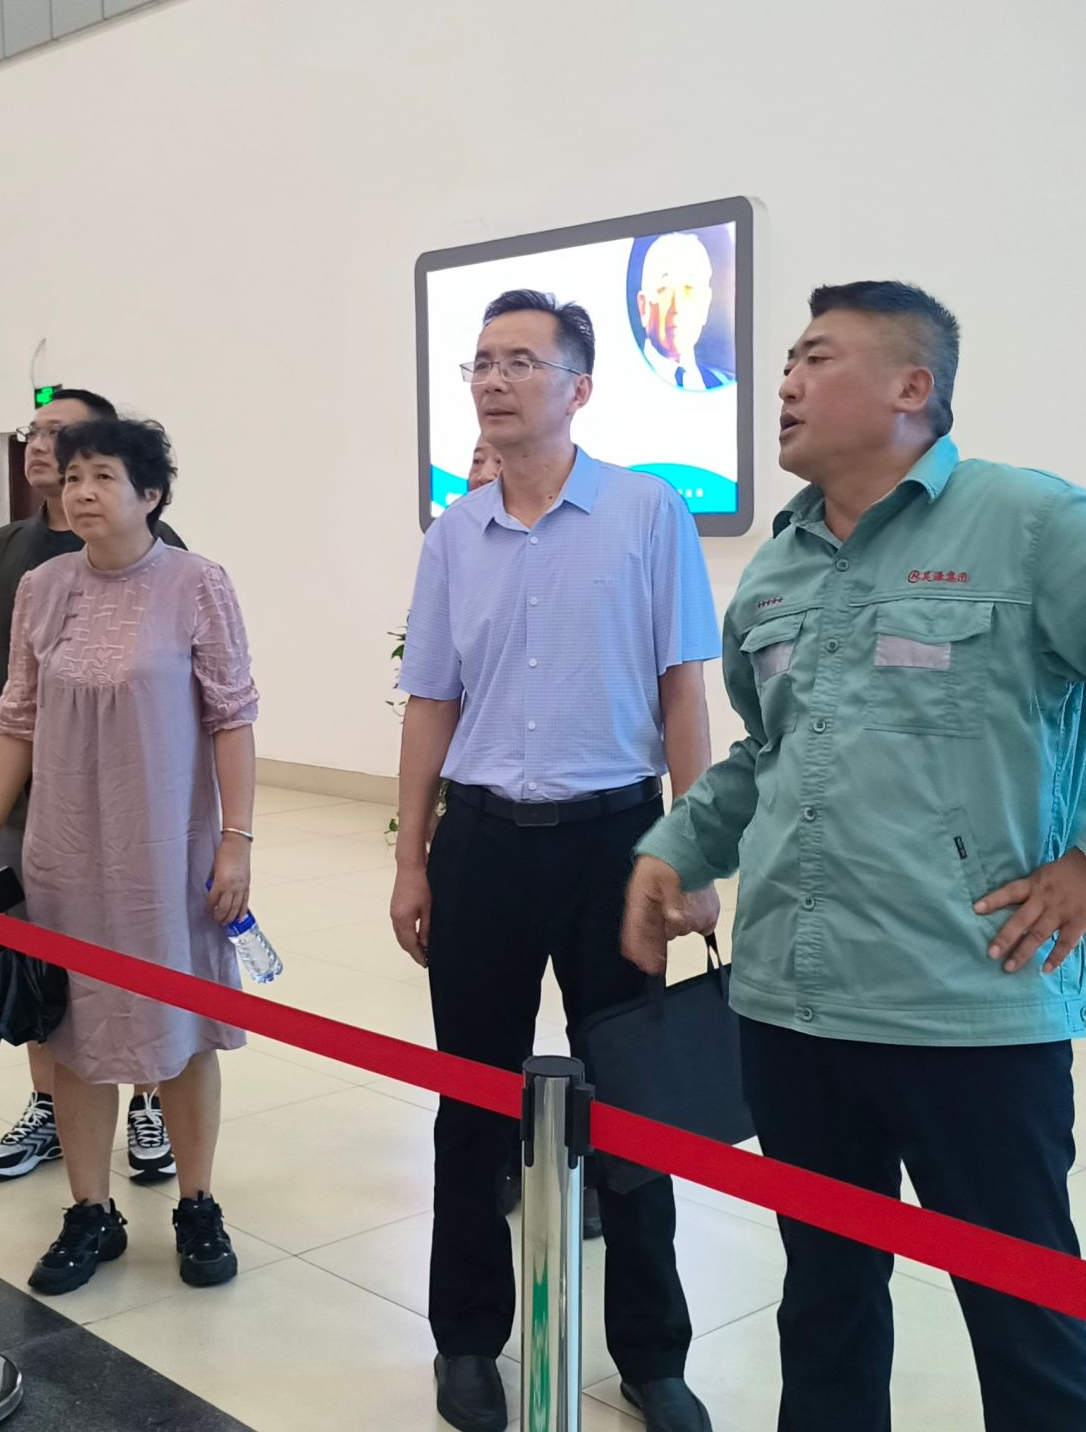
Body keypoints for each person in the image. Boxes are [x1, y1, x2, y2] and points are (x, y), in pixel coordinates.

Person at [623, 281, 1086, 1432]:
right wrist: (676, 846)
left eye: (813, 357)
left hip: (968, 1008)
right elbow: (767, 754)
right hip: (792, 1007)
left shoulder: (1026, 524)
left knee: (1022, 1317)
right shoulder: (775, 570)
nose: (782, 382)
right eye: (783, 361)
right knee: (823, 1302)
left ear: (909, 386)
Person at [393, 289, 721, 1432]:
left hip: (613, 845)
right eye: (481, 360)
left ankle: (651, 1353)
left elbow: (683, 691)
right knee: (470, 1101)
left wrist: (690, 850)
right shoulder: (453, 533)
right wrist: (412, 857)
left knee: (634, 1105)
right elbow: (429, 700)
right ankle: (464, 1339)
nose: (492, 378)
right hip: (481, 843)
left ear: (578, 386)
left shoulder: (646, 512)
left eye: (519, 360)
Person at [0, 416, 259, 1296]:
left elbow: (232, 717)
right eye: (73, 478)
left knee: (182, 1028)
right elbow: (17, 717)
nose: (81, 493)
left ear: (150, 495)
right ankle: (90, 1210)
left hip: (166, 851)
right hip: (63, 849)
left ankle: (197, 1203)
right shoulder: (43, 587)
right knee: (72, 1030)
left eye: (103, 477)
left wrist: (236, 841)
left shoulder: (197, 583)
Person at [0, 388, 184, 1183]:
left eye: (66, 439)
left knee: (141, 955)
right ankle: (51, 1108)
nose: (45, 450)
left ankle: (149, 1099)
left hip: (135, 806)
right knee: (45, 965)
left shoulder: (169, 561)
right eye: (37, 435)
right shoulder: (7, 555)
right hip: (35, 805)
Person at [631, 232, 734, 393]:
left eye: (689, 288)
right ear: (643, 306)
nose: (677, 307)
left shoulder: (724, 383)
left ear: (705, 305)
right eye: (665, 289)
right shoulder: (621, 383)